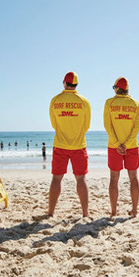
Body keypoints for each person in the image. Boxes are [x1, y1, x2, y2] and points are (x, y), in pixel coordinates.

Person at [48, 71, 91, 217]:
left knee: (56, 178)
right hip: (79, 145)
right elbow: (86, 125)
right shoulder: (84, 102)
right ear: (76, 85)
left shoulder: (55, 100)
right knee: (81, 179)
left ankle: (51, 212)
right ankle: (85, 213)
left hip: (60, 143)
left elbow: (54, 123)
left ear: (64, 83)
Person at [103, 77, 139, 217]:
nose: (113, 89)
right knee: (133, 177)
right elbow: (136, 128)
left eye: (114, 87)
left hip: (114, 146)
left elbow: (107, 126)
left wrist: (117, 144)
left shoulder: (109, 102)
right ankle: (135, 210)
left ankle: (113, 212)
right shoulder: (135, 104)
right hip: (131, 146)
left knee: (114, 178)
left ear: (117, 88)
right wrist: (126, 144)